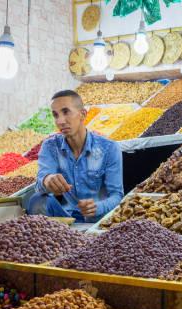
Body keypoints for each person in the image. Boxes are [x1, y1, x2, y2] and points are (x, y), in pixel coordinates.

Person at [26, 90, 124, 222]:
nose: (60, 121)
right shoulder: (50, 147)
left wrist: (98, 207)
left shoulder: (109, 148)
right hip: (65, 219)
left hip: (99, 221)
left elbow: (117, 196)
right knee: (37, 200)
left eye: (66, 112)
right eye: (55, 115)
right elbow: (40, 183)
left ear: (82, 114)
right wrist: (47, 180)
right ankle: (50, 240)